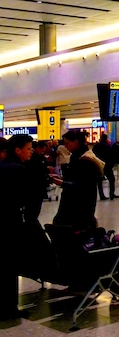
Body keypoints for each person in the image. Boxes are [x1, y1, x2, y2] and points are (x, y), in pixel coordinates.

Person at [0, 135, 31, 320]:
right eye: (28, 148)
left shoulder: (2, 166)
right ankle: (9, 309)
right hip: (11, 223)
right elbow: (24, 198)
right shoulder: (19, 170)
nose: (31, 151)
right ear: (17, 150)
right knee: (10, 267)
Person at [51, 131, 104, 231]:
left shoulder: (85, 160)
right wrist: (62, 180)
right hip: (77, 203)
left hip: (79, 205)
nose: (65, 146)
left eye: (67, 143)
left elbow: (83, 185)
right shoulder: (77, 156)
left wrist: (62, 183)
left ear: (76, 142)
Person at [92, 133, 119, 200]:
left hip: (98, 165)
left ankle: (102, 195)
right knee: (111, 179)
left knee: (99, 181)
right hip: (107, 165)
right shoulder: (107, 146)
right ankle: (112, 194)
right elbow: (110, 155)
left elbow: (93, 155)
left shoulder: (96, 146)